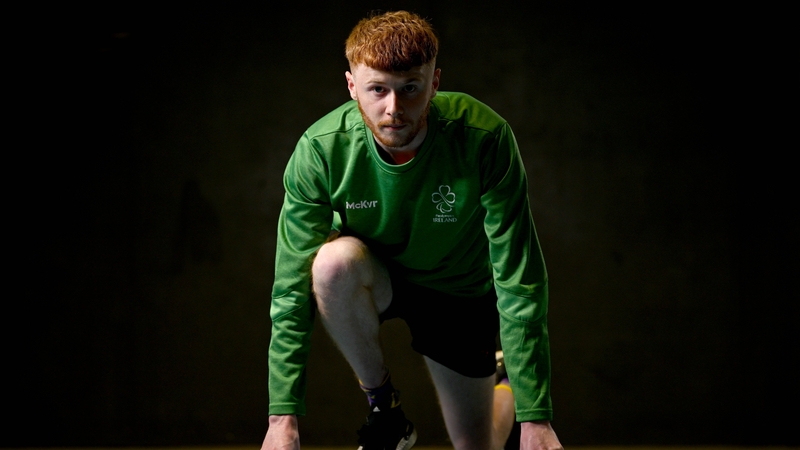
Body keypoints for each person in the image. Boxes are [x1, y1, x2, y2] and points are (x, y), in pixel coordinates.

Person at [261, 10, 562, 450]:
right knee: (330, 264)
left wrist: (537, 418)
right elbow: (289, 290)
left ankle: (505, 387)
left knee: (477, 445)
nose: (394, 109)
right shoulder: (321, 151)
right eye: (377, 89)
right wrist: (281, 418)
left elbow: (520, 280)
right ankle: (384, 409)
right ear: (351, 86)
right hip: (377, 274)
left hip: (457, 291)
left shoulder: (484, 138)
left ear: (434, 83)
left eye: (409, 89)